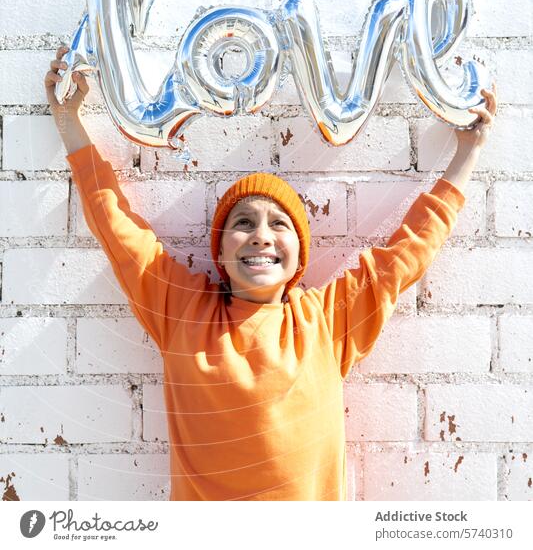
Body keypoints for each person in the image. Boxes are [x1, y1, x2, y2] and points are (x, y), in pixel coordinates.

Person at [45, 45, 498, 501]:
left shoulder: (326, 321)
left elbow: (406, 254)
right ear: (219, 254)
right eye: (243, 223)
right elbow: (116, 228)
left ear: (300, 259)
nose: (261, 236)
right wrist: (69, 123)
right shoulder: (180, 310)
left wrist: (469, 151)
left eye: (278, 224)